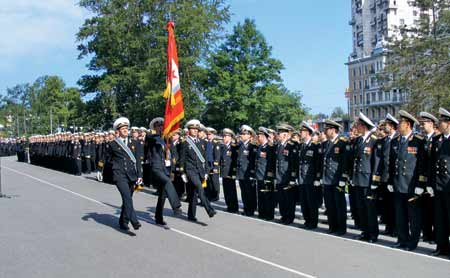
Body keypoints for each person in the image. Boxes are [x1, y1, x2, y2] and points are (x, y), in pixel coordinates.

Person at [388, 110, 426, 251]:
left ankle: (412, 242)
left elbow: (422, 164)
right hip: (398, 184)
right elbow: (392, 164)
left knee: (413, 217)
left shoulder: (418, 141)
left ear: (408, 125)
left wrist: (421, 183)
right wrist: (391, 181)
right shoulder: (395, 141)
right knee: (400, 215)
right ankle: (402, 239)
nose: (398, 125)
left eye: (401, 123)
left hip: (411, 185)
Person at [145, 117, 182, 225]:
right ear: (155, 127)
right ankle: (176, 206)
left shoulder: (167, 138)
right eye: (158, 126)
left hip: (166, 168)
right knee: (167, 182)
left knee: (162, 195)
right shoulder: (151, 138)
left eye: (162, 125)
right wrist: (160, 134)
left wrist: (173, 164)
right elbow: (149, 139)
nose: (161, 127)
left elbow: (173, 153)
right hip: (156, 168)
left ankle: (158, 217)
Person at [108, 117, 142, 231]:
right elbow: (106, 158)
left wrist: (140, 176)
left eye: (126, 128)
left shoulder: (135, 143)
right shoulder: (113, 144)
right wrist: (100, 170)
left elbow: (138, 161)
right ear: (118, 131)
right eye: (122, 129)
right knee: (127, 198)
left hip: (132, 175)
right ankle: (134, 221)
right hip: (119, 175)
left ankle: (123, 221)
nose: (125, 130)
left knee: (127, 199)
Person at [179, 119, 216, 221]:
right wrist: (182, 172)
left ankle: (191, 215)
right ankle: (209, 210)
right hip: (190, 171)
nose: (195, 131)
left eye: (196, 129)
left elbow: (205, 158)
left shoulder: (202, 142)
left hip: (200, 171)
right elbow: (182, 158)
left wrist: (206, 172)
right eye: (193, 129)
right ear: (189, 130)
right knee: (200, 188)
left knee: (192, 193)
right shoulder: (185, 143)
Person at [352, 112, 381, 243]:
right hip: (358, 179)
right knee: (361, 208)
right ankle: (365, 231)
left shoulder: (374, 141)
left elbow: (376, 162)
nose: (356, 127)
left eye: (358, 125)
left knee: (370, 209)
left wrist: (375, 180)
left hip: (368, 180)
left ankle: (373, 234)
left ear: (364, 126)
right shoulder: (358, 140)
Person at [321, 119, 349, 235]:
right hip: (327, 179)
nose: (325, 131)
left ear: (333, 130)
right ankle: (332, 226)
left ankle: (341, 228)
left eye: (327, 129)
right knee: (330, 205)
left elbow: (345, 162)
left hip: (337, 179)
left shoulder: (342, 142)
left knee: (339, 205)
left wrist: (343, 178)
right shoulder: (326, 143)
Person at [429, 108, 450, 258]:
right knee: (440, 219)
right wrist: (430, 183)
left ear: (448, 123)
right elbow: (432, 163)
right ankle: (441, 247)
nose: (439, 123)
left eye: (441, 121)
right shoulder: (437, 140)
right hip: (438, 185)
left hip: (449, 185)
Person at [297, 121, 321, 229]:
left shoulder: (315, 146)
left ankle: (313, 221)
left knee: (311, 201)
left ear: (308, 132)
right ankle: (307, 220)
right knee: (304, 201)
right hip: (302, 177)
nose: (300, 133)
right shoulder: (302, 145)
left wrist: (317, 177)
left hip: (311, 178)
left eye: (302, 131)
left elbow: (318, 163)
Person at [255, 127, 276, 220]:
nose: (257, 137)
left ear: (263, 136)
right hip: (259, 175)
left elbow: (271, 162)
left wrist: (269, 175)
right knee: (260, 195)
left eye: (259, 136)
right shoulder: (260, 147)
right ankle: (262, 213)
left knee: (268, 196)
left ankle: (269, 214)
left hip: (266, 175)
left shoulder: (270, 147)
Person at [236, 125, 258, 216]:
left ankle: (251, 209)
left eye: (244, 134)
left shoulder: (252, 146)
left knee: (250, 193)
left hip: (249, 173)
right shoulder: (240, 145)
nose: (242, 135)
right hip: (241, 173)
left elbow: (254, 161)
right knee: (244, 193)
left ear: (249, 135)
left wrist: (253, 173)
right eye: (241, 134)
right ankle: (246, 208)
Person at [220, 128, 239, 213]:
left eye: (226, 136)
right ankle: (228, 205)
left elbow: (235, 160)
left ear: (230, 137)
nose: (224, 138)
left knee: (232, 190)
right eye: (223, 136)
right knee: (226, 189)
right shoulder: (223, 146)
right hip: (224, 170)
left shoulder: (234, 147)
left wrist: (234, 171)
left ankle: (234, 207)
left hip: (231, 171)